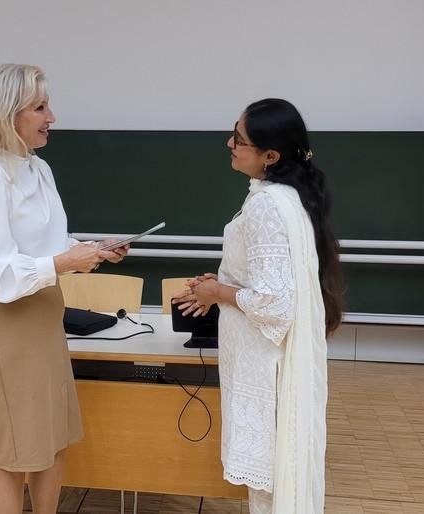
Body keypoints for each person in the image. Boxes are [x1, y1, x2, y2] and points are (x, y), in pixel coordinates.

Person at [0, 64, 128, 514]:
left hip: (45, 310)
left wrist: (91, 250)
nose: (53, 117)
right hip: (7, 316)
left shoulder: (38, 168)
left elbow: (47, 247)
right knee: (15, 449)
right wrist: (65, 260)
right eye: (40, 107)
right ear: (9, 114)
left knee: (52, 437)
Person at [172, 98, 344, 514]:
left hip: (263, 366)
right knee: (272, 481)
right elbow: (271, 283)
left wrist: (217, 294)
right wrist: (224, 284)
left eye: (240, 140)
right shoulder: (286, 196)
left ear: (270, 155)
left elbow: (274, 303)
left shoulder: (268, 205)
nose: (230, 143)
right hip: (265, 361)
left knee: (269, 488)